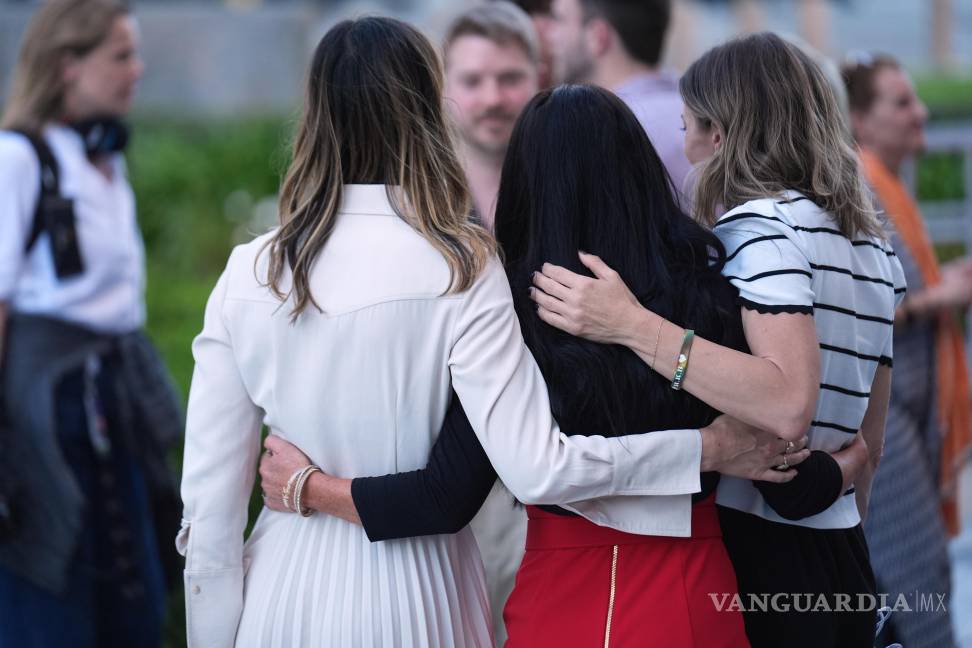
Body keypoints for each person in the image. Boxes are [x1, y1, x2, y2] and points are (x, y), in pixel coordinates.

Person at [179, 17, 796, 648]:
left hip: (288, 589)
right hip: (434, 596)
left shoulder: (249, 273)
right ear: (427, 112)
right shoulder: (466, 269)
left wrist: (297, 503)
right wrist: (707, 449)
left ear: (312, 117)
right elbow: (527, 469)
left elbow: (209, 506)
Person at [528, 33, 906, 646]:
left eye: (687, 127)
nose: (684, 147)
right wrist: (838, 491)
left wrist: (631, 324)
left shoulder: (758, 231)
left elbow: (786, 403)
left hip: (760, 550)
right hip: (842, 549)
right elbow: (872, 442)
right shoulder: (871, 246)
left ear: (721, 135)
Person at [0, 1, 182, 646]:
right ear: (67, 65)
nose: (138, 69)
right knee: (55, 598)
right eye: (121, 55)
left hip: (112, 403)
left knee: (131, 599)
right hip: (47, 416)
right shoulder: (19, 159)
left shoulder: (104, 156)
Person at [844, 52, 972, 648]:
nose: (919, 112)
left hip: (904, 415)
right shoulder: (861, 189)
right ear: (860, 120)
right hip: (883, 420)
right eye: (901, 102)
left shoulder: (885, 186)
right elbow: (854, 306)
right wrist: (939, 297)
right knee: (913, 581)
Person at [441, 4, 540, 642]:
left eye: (509, 77)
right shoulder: (419, 200)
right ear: (444, 87)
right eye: (473, 81)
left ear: (538, 74)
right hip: (446, 489)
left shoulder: (570, 184)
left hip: (556, 492)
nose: (493, 98)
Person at [547, 0, 691, 194]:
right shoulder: (703, 111)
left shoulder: (600, 134)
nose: (550, 35)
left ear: (598, 37)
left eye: (559, 19)